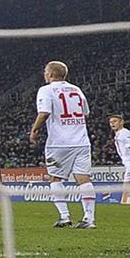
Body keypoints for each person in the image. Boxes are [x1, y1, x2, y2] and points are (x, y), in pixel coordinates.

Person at [29, 61, 96, 228]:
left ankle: (65, 216)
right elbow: (85, 112)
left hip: (59, 143)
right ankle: (89, 219)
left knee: (55, 178)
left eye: (45, 71)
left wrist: (34, 130)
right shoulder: (76, 90)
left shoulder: (46, 90)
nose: (44, 74)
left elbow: (44, 112)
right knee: (83, 179)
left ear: (51, 74)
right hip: (81, 141)